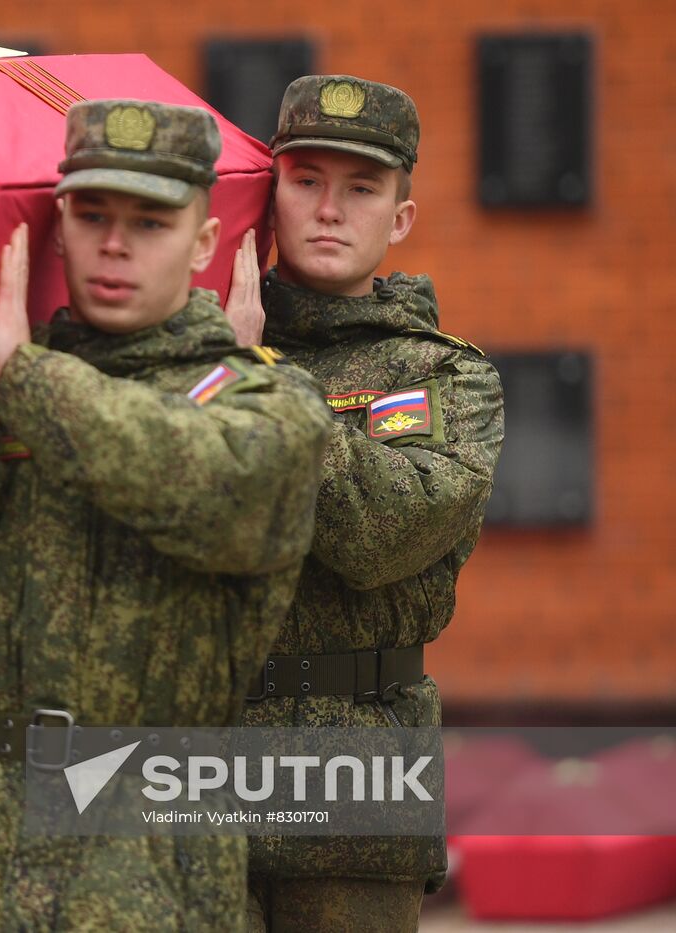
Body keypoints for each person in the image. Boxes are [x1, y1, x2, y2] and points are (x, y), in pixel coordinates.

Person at [0, 98, 333, 930]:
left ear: (206, 243)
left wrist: (25, 382)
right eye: (92, 214)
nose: (114, 244)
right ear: (55, 225)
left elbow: (216, 486)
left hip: (144, 874)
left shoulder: (264, 401)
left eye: (150, 222)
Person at [227, 75, 505, 931]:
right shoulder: (197, 350)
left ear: (400, 217)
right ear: (266, 197)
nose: (329, 209)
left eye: (361, 187)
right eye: (305, 180)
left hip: (357, 772)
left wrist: (253, 382)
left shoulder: (448, 374)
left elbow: (381, 533)